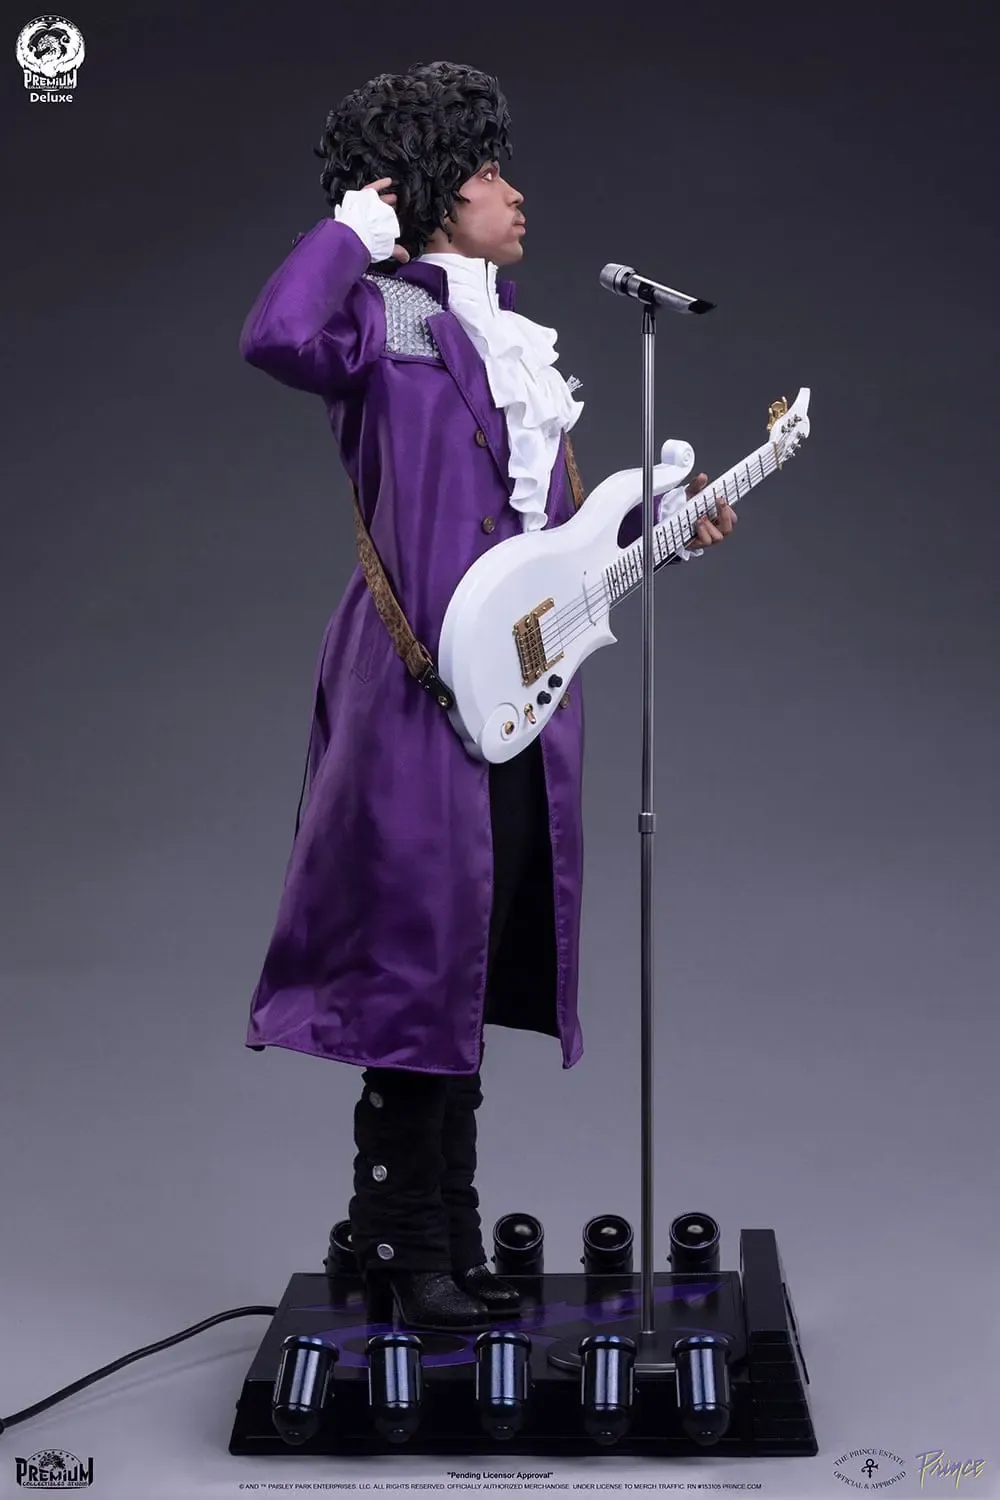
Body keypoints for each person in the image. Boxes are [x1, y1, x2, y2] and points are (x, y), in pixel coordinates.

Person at [239, 60, 736, 1332]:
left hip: (521, 689)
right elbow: (279, 336)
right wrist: (353, 226)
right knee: (414, 956)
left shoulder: (516, 343)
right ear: (427, 191)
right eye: (488, 173)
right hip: (412, 686)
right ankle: (399, 1243)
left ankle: (445, 1238)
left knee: (464, 960)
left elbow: (555, 546)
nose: (516, 195)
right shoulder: (383, 317)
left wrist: (666, 532)